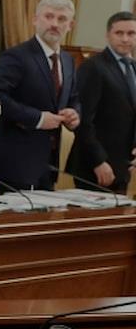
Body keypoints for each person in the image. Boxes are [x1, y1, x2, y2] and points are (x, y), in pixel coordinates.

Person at [0, 0, 81, 191]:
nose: (54, 24)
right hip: (14, 162)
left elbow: (73, 98)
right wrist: (37, 118)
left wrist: (74, 114)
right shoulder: (16, 56)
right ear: (35, 19)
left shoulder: (68, 60)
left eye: (61, 19)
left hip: (48, 164)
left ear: (70, 25)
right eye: (49, 16)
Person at [66, 11, 136, 193]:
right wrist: (98, 161)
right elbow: (83, 119)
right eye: (119, 33)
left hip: (123, 166)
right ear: (108, 35)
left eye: (131, 33)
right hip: (94, 167)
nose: (125, 39)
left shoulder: (133, 67)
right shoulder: (93, 66)